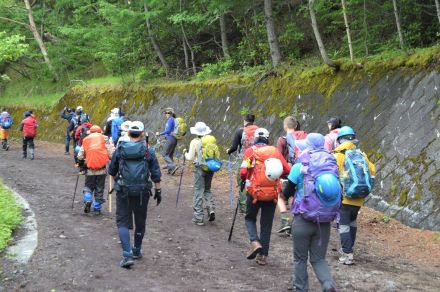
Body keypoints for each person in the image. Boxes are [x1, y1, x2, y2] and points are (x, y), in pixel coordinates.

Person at [283, 133, 339, 292]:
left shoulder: (299, 167)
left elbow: (286, 193)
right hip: (324, 221)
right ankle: (328, 285)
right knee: (319, 259)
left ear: (308, 147)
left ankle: (300, 289)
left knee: (300, 259)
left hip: (303, 219)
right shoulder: (331, 164)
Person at [108, 121, 162, 268]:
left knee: (122, 221)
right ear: (143, 133)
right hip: (142, 192)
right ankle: (136, 250)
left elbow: (112, 171)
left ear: (128, 133)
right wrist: (158, 190)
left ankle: (127, 255)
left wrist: (119, 182)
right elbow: (156, 173)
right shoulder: (148, 151)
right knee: (140, 221)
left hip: (123, 191)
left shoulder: (120, 149)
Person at [240, 128, 290, 266]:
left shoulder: (250, 152)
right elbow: (287, 170)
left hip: (254, 192)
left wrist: (245, 178)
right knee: (266, 224)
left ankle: (254, 241)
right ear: (268, 138)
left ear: (255, 138)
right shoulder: (275, 152)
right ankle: (263, 256)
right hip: (272, 193)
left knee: (250, 218)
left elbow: (243, 171)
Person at [334, 126, 376, 265]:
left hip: (345, 196)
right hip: (359, 196)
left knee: (344, 224)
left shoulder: (338, 154)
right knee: (352, 222)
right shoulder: (361, 155)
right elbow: (372, 169)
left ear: (340, 140)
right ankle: (349, 249)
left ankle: (347, 253)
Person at [275, 116, 308, 234]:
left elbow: (278, 156)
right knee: (297, 195)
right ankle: (296, 223)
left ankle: (285, 221)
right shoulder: (304, 138)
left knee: (280, 196)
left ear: (285, 126)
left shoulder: (282, 139)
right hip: (303, 171)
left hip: (287, 173)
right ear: (296, 126)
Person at [184, 122, 219, 226]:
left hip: (200, 168)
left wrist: (185, 153)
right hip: (210, 167)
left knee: (198, 191)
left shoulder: (194, 141)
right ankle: (211, 209)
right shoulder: (211, 141)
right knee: (207, 189)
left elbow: (190, 157)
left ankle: (198, 218)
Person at [78, 125, 113, 214]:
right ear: (100, 131)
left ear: (91, 131)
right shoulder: (105, 139)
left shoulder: (86, 139)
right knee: (99, 188)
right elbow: (111, 154)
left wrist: (81, 164)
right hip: (102, 170)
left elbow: (80, 155)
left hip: (90, 169)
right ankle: (97, 208)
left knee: (88, 186)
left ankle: (88, 199)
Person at [227, 114, 258, 213]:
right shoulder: (260, 131)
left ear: (245, 121)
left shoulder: (240, 131)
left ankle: (244, 206)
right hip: (256, 159)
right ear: (253, 121)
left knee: (242, 181)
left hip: (244, 160)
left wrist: (229, 151)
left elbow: (234, 147)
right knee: (253, 180)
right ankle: (253, 203)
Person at [155, 108, 179, 175]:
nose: (166, 114)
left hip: (170, 139)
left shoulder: (170, 120)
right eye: (165, 113)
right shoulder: (173, 120)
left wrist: (159, 133)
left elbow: (168, 131)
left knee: (164, 154)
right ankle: (170, 170)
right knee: (170, 154)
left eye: (168, 113)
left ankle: (172, 166)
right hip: (174, 139)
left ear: (171, 113)